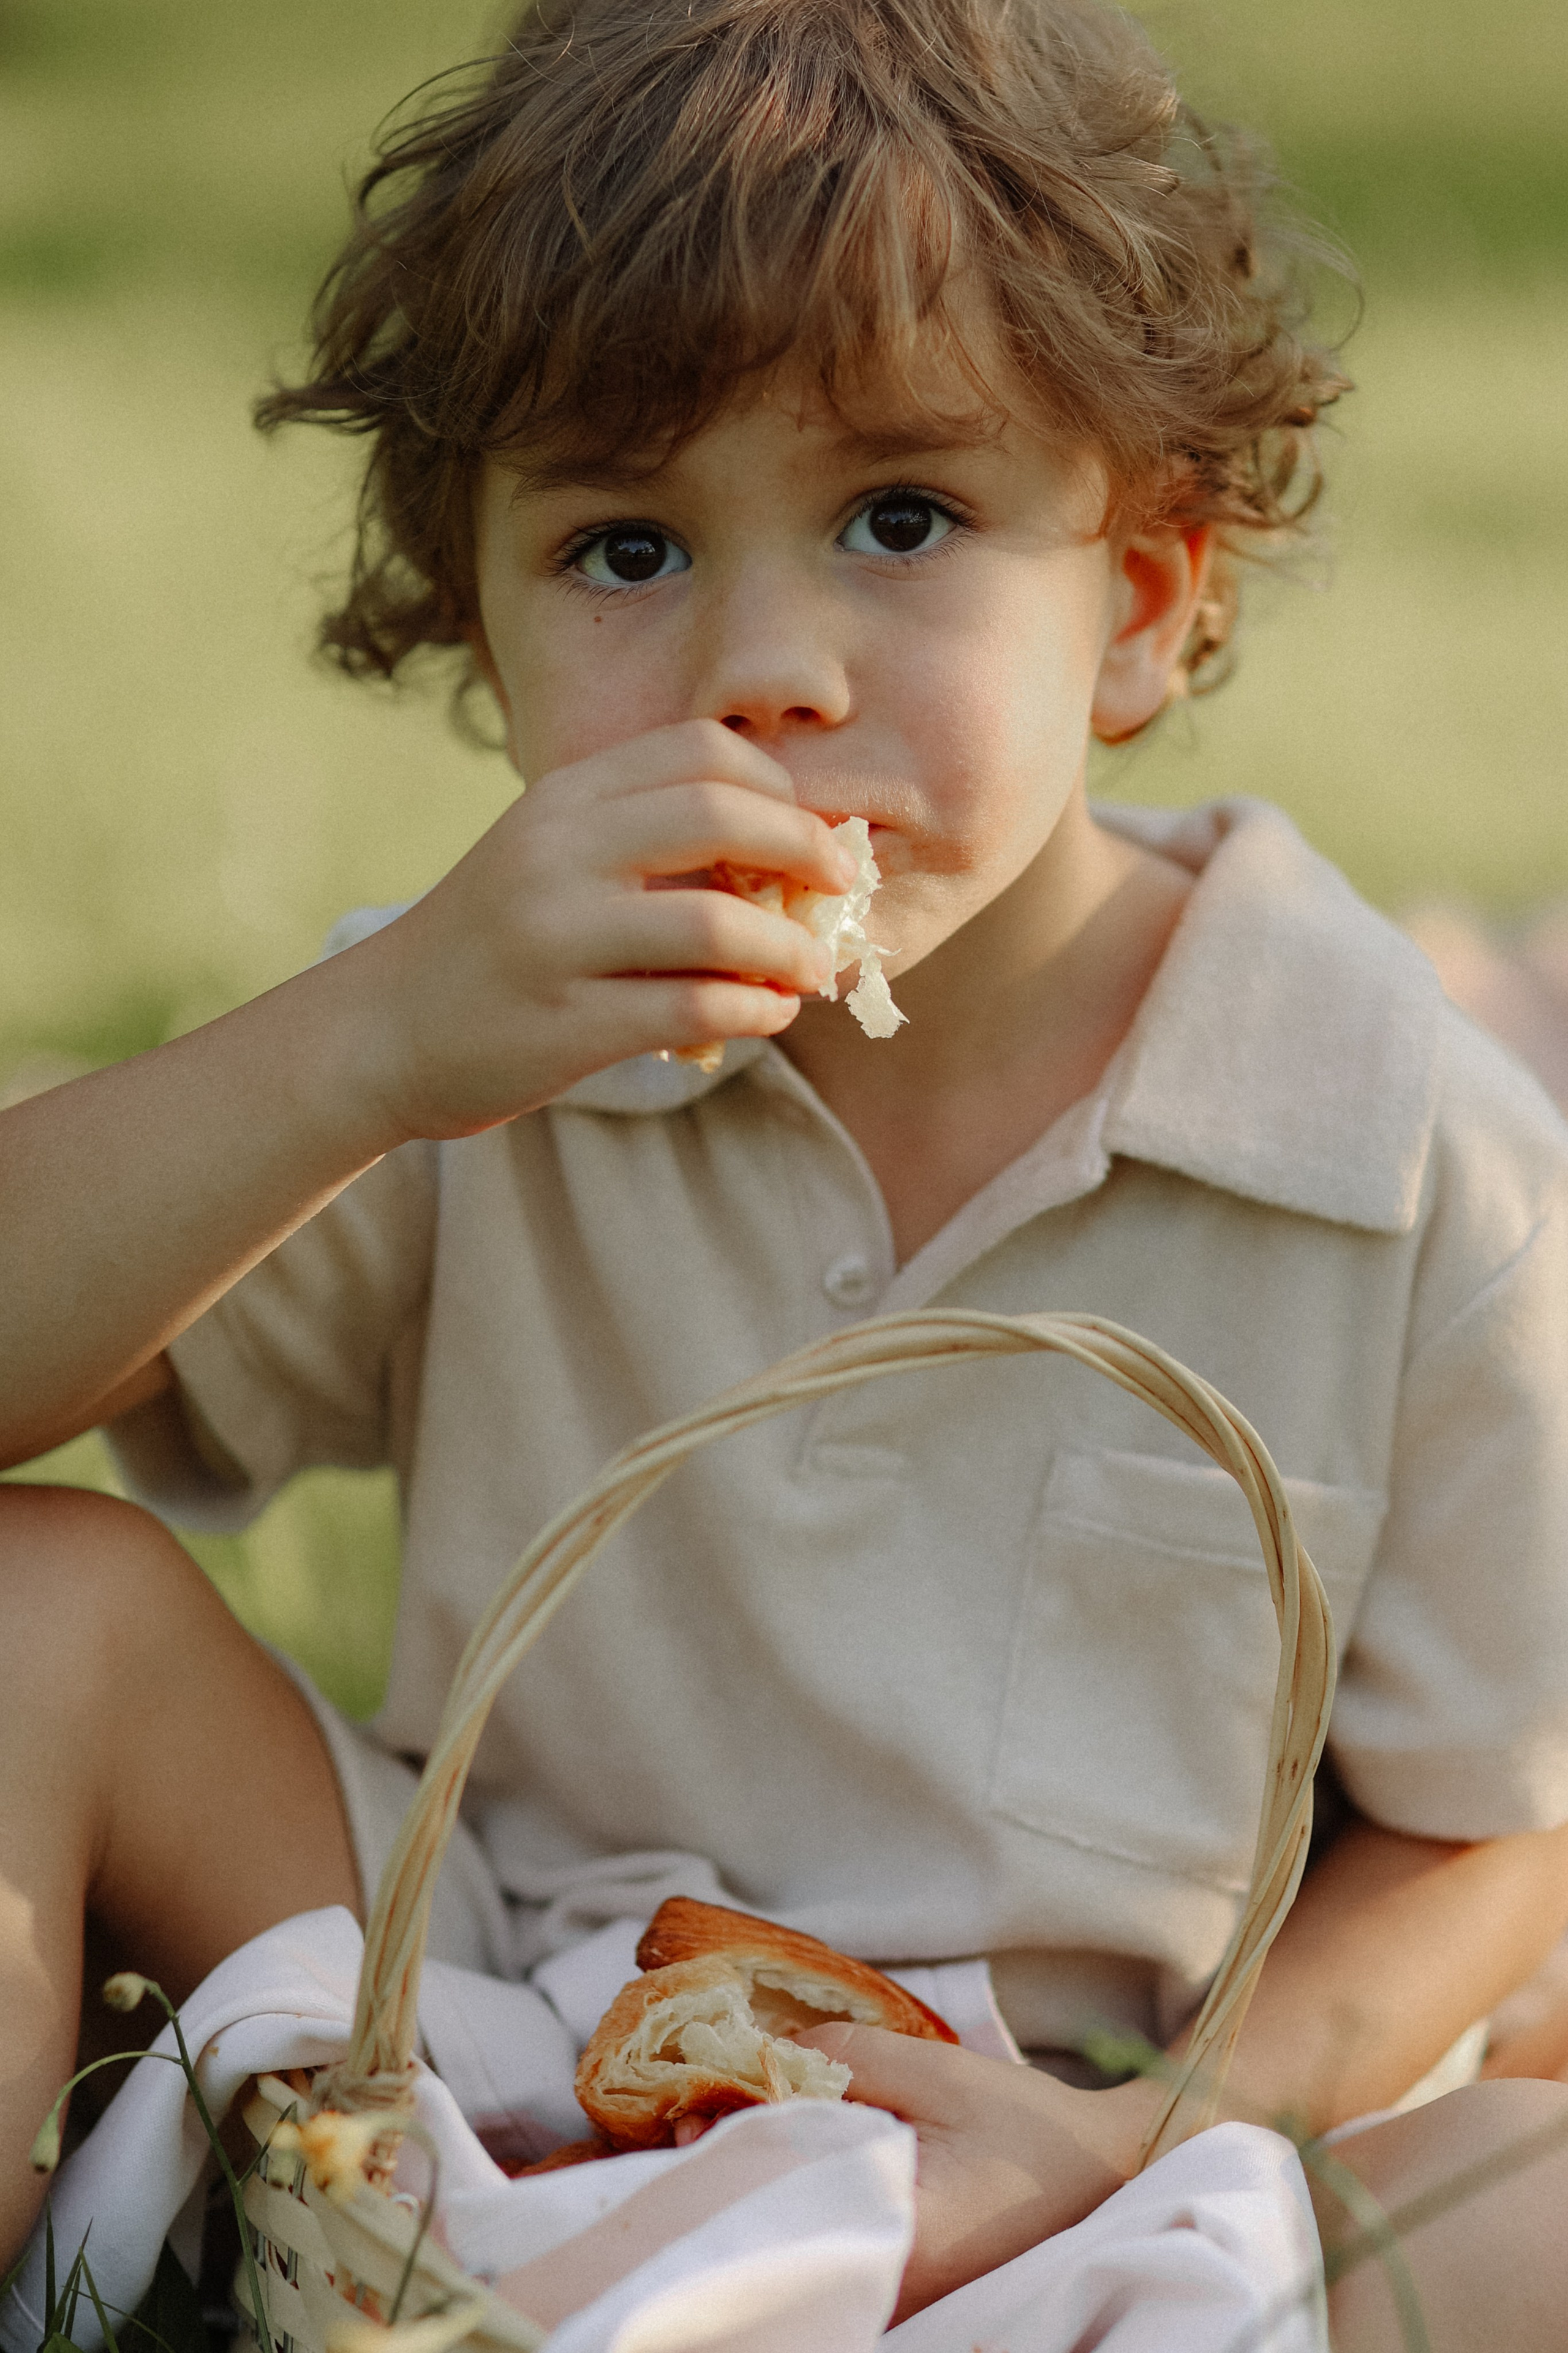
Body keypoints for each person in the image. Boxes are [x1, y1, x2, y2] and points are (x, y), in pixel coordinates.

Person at [4, 0, 1568, 2330]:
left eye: (901, 518)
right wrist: (364, 1046)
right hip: (476, 2044)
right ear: (480, 620)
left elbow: (1497, 1826)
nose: (762, 666)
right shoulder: (475, 1039)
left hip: (1063, 2143)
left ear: (1139, 597)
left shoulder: (1400, 1142)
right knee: (32, 1614)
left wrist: (1166, 2127)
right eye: (623, 546)